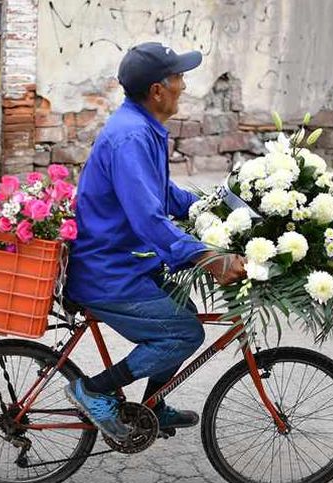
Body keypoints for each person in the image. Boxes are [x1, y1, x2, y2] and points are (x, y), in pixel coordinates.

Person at [64, 42, 246, 441]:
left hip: (128, 263)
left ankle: (152, 405)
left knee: (184, 312)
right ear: (157, 90)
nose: (184, 85)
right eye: (178, 78)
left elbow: (163, 195)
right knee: (183, 332)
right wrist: (207, 257)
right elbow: (148, 219)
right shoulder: (130, 137)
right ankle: (93, 390)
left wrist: (216, 207)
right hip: (108, 272)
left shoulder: (142, 127)